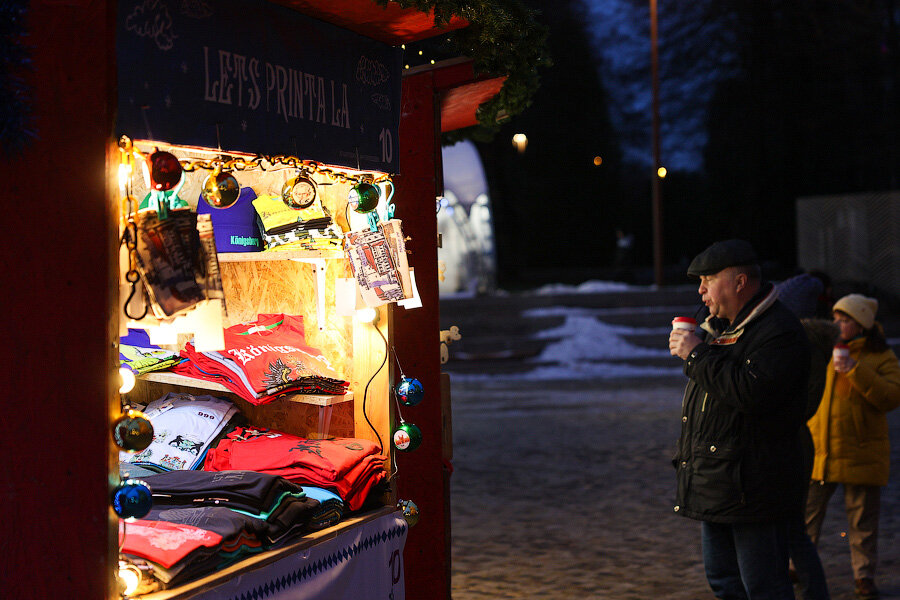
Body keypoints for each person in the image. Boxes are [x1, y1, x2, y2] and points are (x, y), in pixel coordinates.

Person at [669, 239, 811, 600]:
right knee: (724, 582)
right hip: (718, 482)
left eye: (708, 279)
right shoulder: (720, 328)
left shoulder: (779, 331)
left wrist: (697, 355)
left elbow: (751, 393)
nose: (700, 290)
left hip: (754, 486)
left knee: (764, 586)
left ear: (739, 282)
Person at [805, 294, 900, 600]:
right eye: (836, 318)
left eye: (844, 320)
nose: (838, 324)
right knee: (806, 516)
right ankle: (799, 567)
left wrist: (855, 369)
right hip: (820, 451)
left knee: (862, 522)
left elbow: (891, 398)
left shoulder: (881, 356)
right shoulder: (822, 351)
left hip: (862, 452)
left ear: (861, 325)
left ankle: (864, 576)